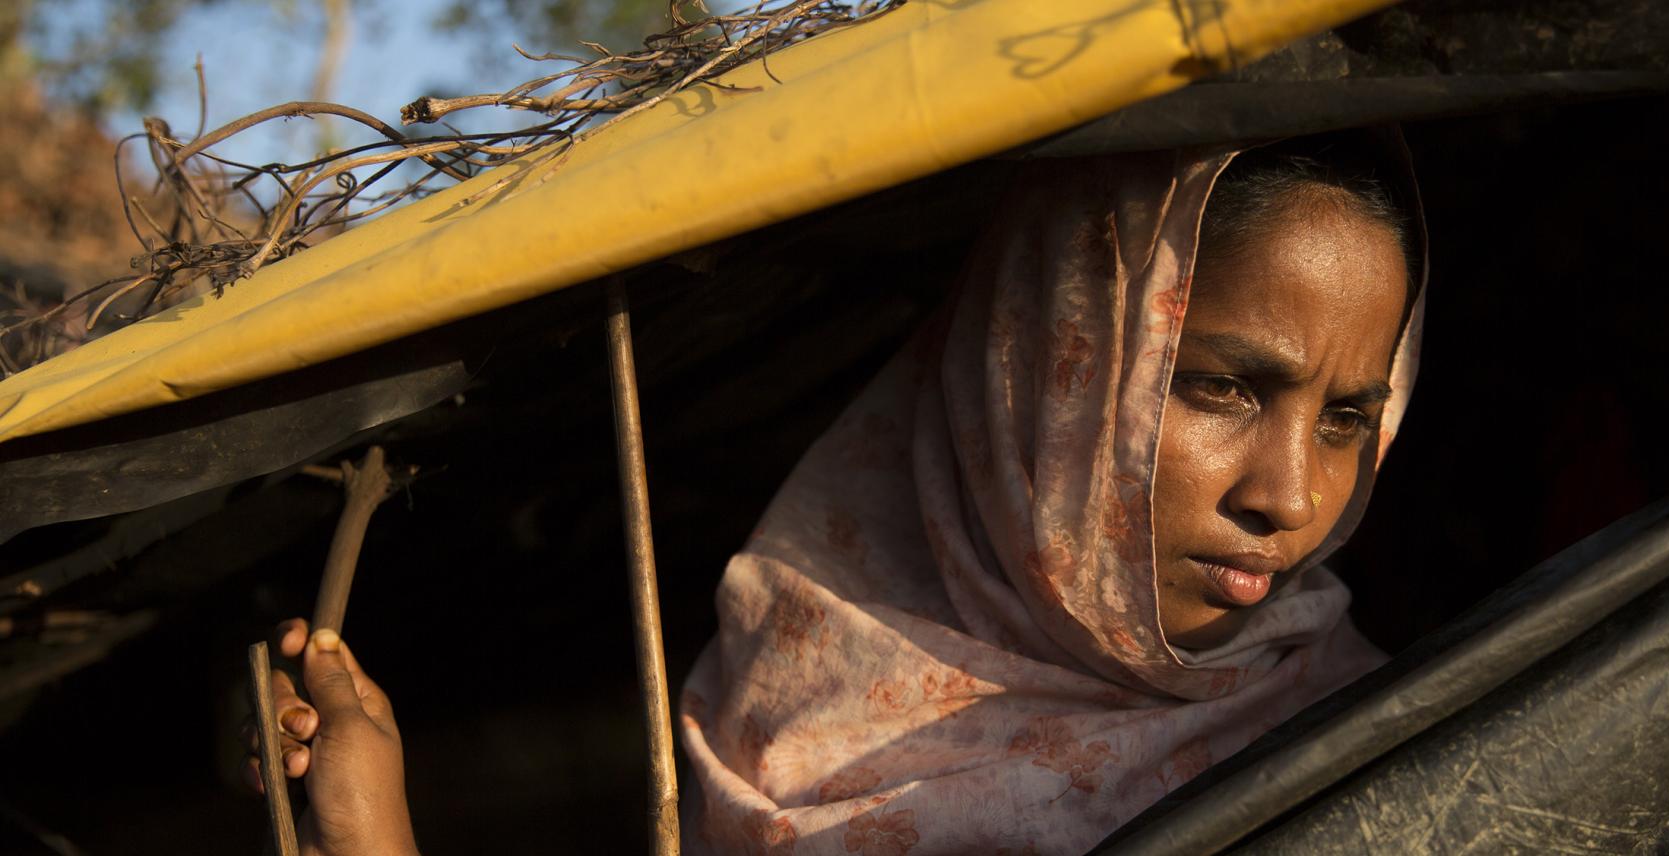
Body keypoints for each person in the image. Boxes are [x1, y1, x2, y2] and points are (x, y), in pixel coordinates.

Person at [247, 131, 1426, 856]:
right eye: (1220, 386)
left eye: (1346, 419)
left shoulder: (1423, 754)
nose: (1291, 493)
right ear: (1050, 364)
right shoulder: (780, 714)